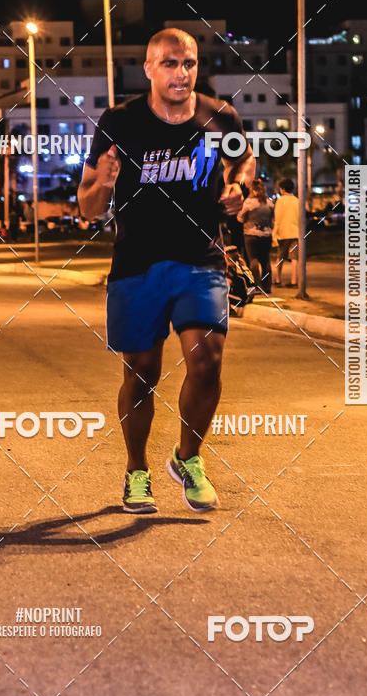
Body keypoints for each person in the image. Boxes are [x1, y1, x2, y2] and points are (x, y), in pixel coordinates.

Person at [78, 27, 254, 514]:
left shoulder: (222, 116)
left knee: (207, 362)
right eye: (171, 64)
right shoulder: (120, 121)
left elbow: (245, 162)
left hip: (201, 258)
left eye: (190, 63)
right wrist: (105, 183)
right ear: (149, 68)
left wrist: (239, 187)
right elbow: (89, 205)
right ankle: (137, 471)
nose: (182, 73)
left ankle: (188, 458)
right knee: (142, 373)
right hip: (137, 263)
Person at [237, 179, 274, 295]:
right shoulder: (269, 202)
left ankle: (257, 287)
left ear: (252, 189)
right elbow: (272, 220)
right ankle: (267, 287)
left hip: (251, 234)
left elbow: (240, 217)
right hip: (267, 234)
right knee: (266, 261)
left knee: (253, 260)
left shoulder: (249, 202)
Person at [272, 177, 299, 288]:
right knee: (294, 257)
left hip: (283, 232)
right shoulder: (297, 200)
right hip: (295, 232)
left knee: (280, 256)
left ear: (282, 189)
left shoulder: (280, 201)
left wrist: (275, 233)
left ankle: (278, 279)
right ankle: (294, 280)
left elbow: (277, 218)